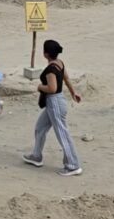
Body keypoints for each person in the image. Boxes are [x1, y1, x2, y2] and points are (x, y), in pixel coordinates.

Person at [22, 39, 83, 176]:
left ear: (45, 54)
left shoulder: (50, 69)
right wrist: (74, 93)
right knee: (40, 128)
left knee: (62, 133)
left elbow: (52, 88)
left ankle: (73, 165)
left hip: (54, 102)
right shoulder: (60, 63)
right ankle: (36, 156)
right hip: (57, 101)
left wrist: (39, 87)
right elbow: (66, 79)